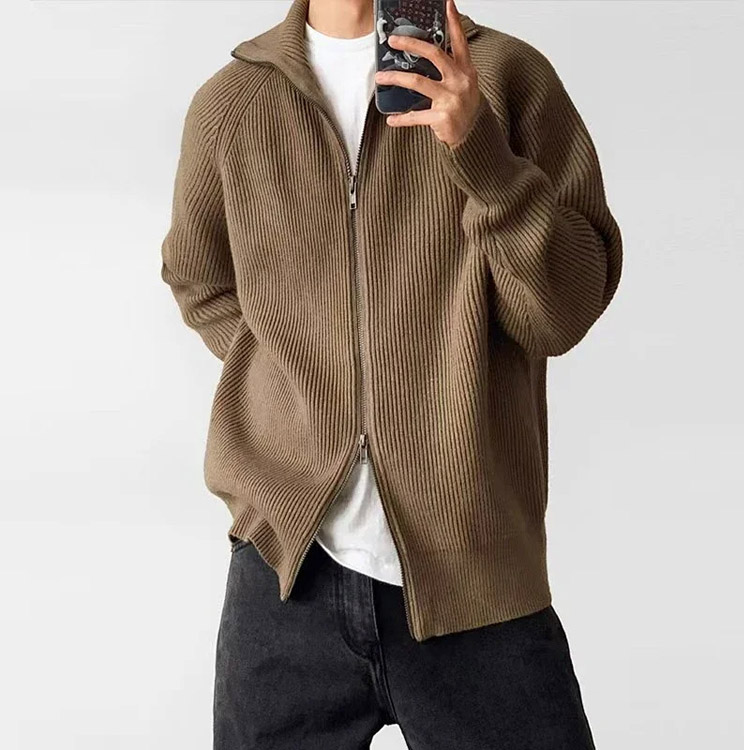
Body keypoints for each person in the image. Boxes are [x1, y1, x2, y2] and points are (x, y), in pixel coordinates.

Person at [160, 0, 623, 747]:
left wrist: (480, 152)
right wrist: (291, 382)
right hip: (285, 578)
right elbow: (199, 279)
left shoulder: (507, 78)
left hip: (477, 585)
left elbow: (561, 313)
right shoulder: (233, 104)